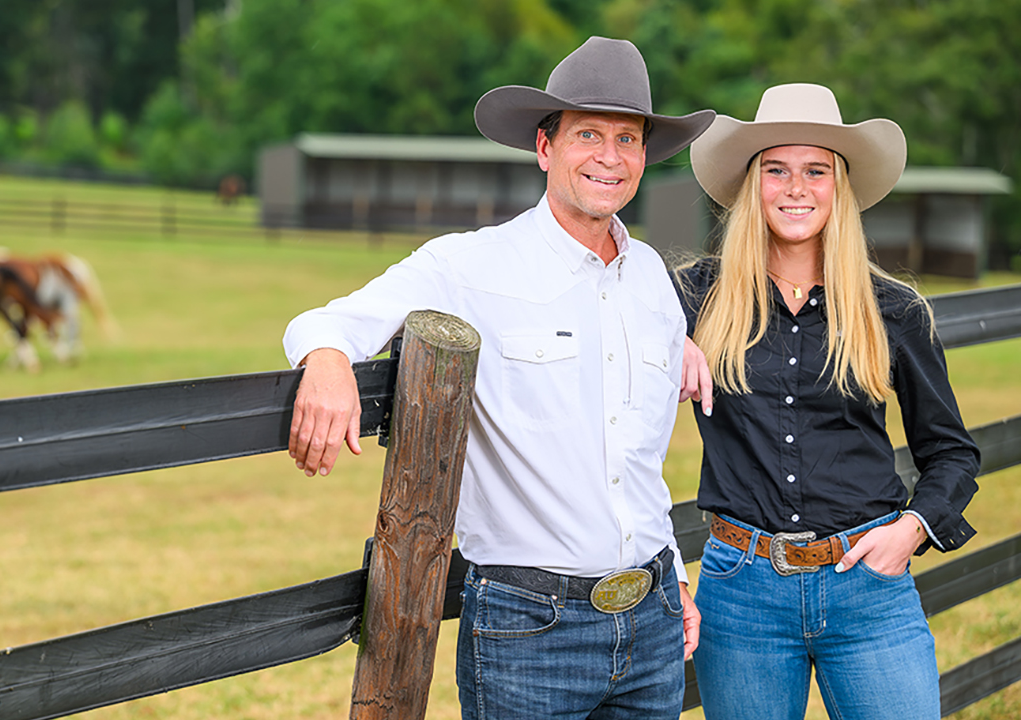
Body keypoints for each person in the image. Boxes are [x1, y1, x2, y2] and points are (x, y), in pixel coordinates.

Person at [284, 37, 715, 719]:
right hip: (529, 627)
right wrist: (331, 363)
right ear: (546, 148)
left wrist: (676, 576)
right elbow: (328, 321)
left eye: (627, 139)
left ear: (643, 157)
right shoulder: (470, 266)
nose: (610, 157)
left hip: (653, 614)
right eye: (589, 135)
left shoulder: (653, 281)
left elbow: (638, 461)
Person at [673, 83, 980, 720]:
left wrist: (911, 531)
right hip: (742, 589)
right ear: (750, 185)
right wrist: (665, 338)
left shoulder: (893, 310)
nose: (795, 188)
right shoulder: (689, 299)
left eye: (815, 171)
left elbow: (950, 452)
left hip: (868, 585)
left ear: (839, 186)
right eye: (776, 171)